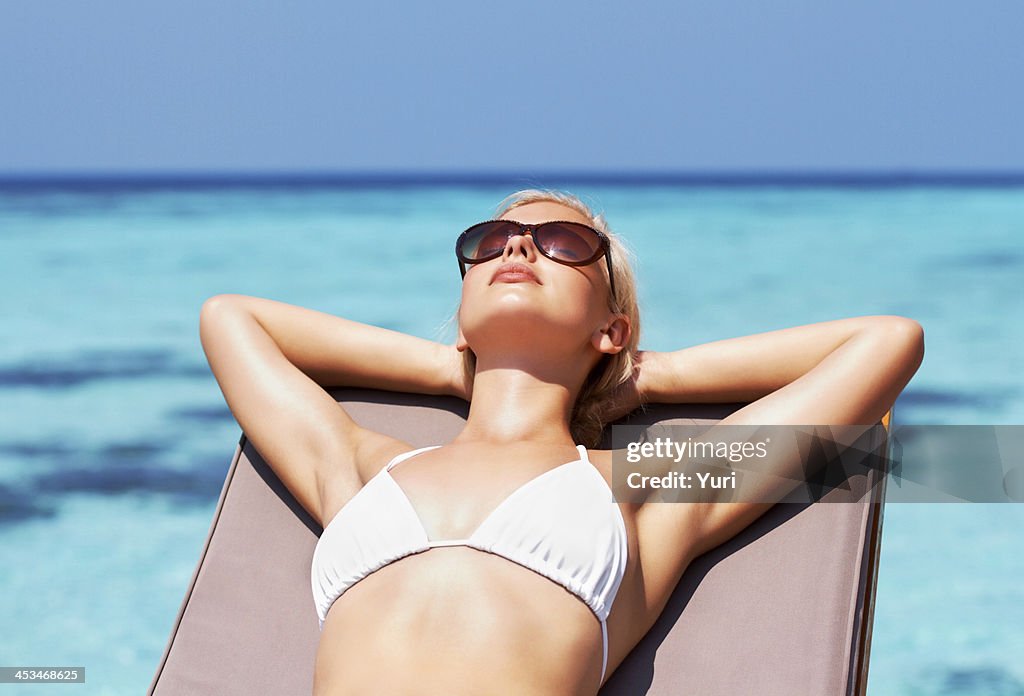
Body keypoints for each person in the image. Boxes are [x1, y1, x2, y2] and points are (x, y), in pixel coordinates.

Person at [198, 189, 924, 696]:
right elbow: (231, 320)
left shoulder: (640, 488)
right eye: (489, 243)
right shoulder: (363, 467)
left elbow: (883, 344)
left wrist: (643, 375)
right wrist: (457, 365)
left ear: (611, 325)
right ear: (460, 310)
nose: (517, 244)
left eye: (564, 244)